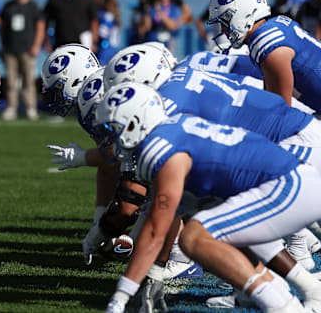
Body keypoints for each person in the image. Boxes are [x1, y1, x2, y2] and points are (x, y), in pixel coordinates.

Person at [99, 82, 321, 312]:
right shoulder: (172, 130)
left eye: (115, 127)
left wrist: (120, 298)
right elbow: (155, 228)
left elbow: (155, 232)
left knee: (195, 236)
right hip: (295, 180)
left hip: (289, 184)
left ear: (135, 122)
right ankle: (294, 292)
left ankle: (285, 307)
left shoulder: (161, 148)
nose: (111, 137)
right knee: (211, 217)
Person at [208, 0, 321, 111]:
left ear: (243, 14)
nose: (222, 30)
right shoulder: (274, 26)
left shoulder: (266, 42)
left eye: (225, 22)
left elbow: (280, 114)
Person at [0, 0, 45, 121]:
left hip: (27, 48)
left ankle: (30, 107)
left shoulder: (32, 7)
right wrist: (4, 45)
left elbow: (40, 26)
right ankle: (12, 107)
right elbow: (3, 28)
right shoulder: (8, 6)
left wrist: (36, 45)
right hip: (11, 48)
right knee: (11, 81)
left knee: (28, 80)